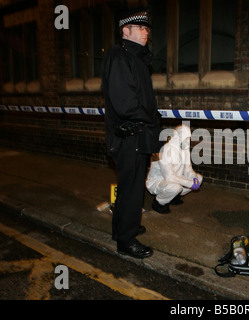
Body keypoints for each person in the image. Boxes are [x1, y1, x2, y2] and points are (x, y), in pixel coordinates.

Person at [102, 8, 163, 259]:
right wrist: (151, 119)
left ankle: (124, 227)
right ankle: (126, 240)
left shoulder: (136, 58)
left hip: (138, 135)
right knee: (131, 188)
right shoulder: (119, 56)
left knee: (133, 187)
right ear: (125, 31)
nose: (146, 31)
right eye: (140, 28)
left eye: (147, 28)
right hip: (128, 136)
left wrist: (152, 120)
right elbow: (125, 102)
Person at [146, 124, 203, 214]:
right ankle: (159, 202)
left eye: (189, 138)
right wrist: (189, 183)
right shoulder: (165, 150)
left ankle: (173, 196)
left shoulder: (184, 150)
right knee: (175, 187)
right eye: (186, 138)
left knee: (199, 178)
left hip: (175, 178)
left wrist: (193, 178)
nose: (188, 141)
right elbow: (169, 176)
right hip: (159, 180)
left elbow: (188, 169)